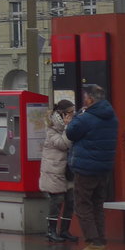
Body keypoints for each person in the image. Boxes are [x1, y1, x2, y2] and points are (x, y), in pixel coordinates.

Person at [65, 83, 118, 250]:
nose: (83, 99)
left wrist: (78, 115)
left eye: (85, 96)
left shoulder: (87, 117)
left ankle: (93, 243)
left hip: (86, 168)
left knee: (82, 204)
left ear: (90, 98)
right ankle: (100, 242)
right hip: (103, 168)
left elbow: (71, 133)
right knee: (97, 205)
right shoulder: (111, 116)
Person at [39, 99, 76, 242]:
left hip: (66, 169)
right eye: (70, 113)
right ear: (62, 113)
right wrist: (68, 128)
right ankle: (51, 230)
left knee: (70, 200)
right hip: (53, 169)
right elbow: (63, 144)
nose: (73, 115)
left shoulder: (68, 126)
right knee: (57, 200)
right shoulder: (51, 128)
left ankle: (65, 230)